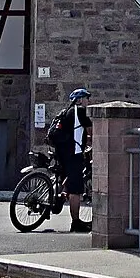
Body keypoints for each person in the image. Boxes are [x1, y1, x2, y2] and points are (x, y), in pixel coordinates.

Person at [48, 88, 92, 232]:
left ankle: (60, 196)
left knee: (66, 179)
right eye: (86, 98)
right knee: (76, 189)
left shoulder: (65, 112)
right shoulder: (79, 111)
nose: (88, 101)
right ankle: (76, 222)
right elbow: (93, 128)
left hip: (61, 152)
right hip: (74, 153)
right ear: (79, 99)